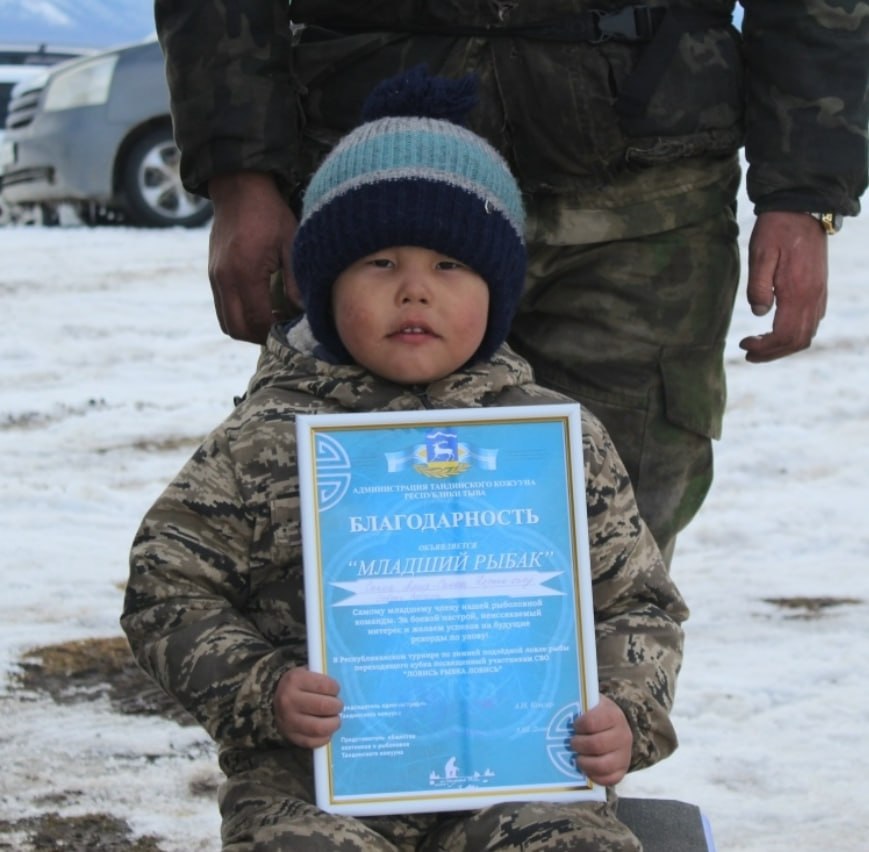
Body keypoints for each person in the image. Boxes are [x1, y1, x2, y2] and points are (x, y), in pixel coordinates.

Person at [121, 70, 688, 851]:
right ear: (322, 287)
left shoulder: (556, 442)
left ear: (499, 291)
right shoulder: (263, 441)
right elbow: (166, 586)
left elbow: (637, 605)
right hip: (312, 785)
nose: (415, 292)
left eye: (450, 266)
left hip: (522, 775)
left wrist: (623, 713)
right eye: (380, 263)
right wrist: (262, 690)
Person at [153, 1, 869, 563]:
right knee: (348, 535)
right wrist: (239, 171)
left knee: (617, 543)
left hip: (643, 203)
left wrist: (804, 191)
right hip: (383, 183)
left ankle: (581, 747)